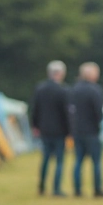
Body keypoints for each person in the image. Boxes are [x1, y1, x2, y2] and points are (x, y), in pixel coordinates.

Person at [31, 60, 70, 196]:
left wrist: (35, 125)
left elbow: (35, 109)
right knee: (59, 160)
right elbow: (66, 113)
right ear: (60, 73)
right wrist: (69, 130)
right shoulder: (63, 90)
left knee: (45, 158)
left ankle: (41, 186)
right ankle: (56, 188)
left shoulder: (40, 88)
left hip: (44, 129)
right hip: (59, 130)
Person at [69, 62, 103, 198]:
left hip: (77, 130)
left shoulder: (74, 89)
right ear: (91, 74)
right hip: (91, 131)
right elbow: (99, 112)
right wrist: (98, 123)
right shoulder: (95, 90)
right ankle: (97, 189)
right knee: (96, 162)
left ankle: (77, 190)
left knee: (78, 161)